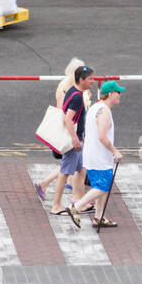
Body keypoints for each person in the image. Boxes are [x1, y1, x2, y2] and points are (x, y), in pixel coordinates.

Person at [38, 64, 93, 220]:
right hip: (72, 142)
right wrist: (76, 139)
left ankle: (78, 201)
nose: (93, 82)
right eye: (90, 79)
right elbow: (67, 119)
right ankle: (56, 206)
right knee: (64, 174)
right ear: (81, 79)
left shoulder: (74, 91)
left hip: (78, 138)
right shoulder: (77, 96)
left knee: (81, 170)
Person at [70, 81, 126, 229]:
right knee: (102, 186)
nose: (120, 95)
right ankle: (78, 206)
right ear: (111, 94)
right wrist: (115, 151)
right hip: (99, 157)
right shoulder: (104, 111)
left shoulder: (95, 107)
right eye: (118, 92)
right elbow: (102, 136)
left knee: (102, 186)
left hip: (93, 155)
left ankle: (99, 217)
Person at [36, 58, 84, 200]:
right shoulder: (70, 85)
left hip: (73, 128)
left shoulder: (67, 83)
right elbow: (64, 109)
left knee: (76, 164)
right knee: (70, 164)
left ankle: (71, 188)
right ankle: (48, 186)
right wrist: (74, 134)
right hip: (72, 130)